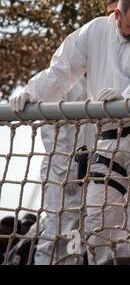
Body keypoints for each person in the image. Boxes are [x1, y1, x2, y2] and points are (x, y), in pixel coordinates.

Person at [10, 0, 130, 265]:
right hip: (108, 141)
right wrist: (32, 92)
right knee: (98, 218)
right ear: (117, 16)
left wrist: (125, 101)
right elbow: (62, 69)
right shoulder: (95, 30)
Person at [33, 75, 95, 265]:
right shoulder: (63, 81)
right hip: (62, 170)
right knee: (55, 231)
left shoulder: (100, 79)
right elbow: (51, 130)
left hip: (88, 170)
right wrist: (64, 170)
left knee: (76, 233)